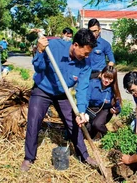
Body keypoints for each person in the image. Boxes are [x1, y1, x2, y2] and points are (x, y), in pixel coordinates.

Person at [21, 28, 98, 172]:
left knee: (74, 123)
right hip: (43, 89)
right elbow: (39, 68)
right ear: (75, 45)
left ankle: (84, 156)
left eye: (89, 53)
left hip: (62, 93)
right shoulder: (53, 47)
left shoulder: (85, 64)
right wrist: (39, 51)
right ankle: (28, 158)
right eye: (85, 52)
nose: (87, 56)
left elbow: (82, 88)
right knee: (33, 121)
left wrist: (81, 111)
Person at [85, 65, 122, 139]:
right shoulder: (92, 84)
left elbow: (118, 107)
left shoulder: (113, 90)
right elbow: (85, 99)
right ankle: (97, 133)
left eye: (110, 79)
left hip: (104, 111)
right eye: (105, 77)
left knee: (97, 124)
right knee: (87, 129)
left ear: (113, 80)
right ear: (101, 75)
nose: (107, 80)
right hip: (90, 110)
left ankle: (109, 136)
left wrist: (115, 110)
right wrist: (83, 112)